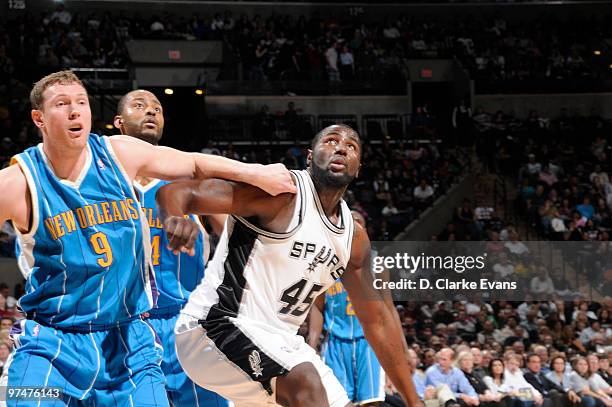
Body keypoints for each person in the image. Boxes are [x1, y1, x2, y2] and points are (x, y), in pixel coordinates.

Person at [0, 70, 294, 406]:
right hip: (52, 341)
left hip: (129, 338)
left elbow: (195, 164)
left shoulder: (117, 153)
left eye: (81, 102)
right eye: (62, 104)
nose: (74, 111)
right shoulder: (17, 182)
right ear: (39, 118)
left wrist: (258, 171)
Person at [157, 124, 421, 407]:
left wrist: (414, 401)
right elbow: (178, 192)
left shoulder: (353, 238)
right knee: (306, 384)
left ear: (358, 169)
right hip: (215, 326)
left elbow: (378, 321)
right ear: (310, 157)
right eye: (331, 141)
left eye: (352, 146)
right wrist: (175, 216)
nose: (342, 147)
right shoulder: (279, 194)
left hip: (281, 342)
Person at [113, 89, 228, 406]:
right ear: (118, 122)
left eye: (157, 108)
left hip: (187, 323)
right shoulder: (103, 186)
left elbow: (239, 237)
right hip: (126, 327)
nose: (150, 111)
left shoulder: (189, 181)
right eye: (140, 106)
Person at [307, 211, 385, 406]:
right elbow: (317, 307)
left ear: (365, 230)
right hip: (335, 342)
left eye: (358, 224)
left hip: (369, 341)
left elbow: (388, 310)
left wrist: (399, 345)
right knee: (339, 401)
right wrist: (312, 344)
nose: (354, 228)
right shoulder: (323, 263)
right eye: (350, 224)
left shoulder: (378, 264)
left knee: (371, 401)